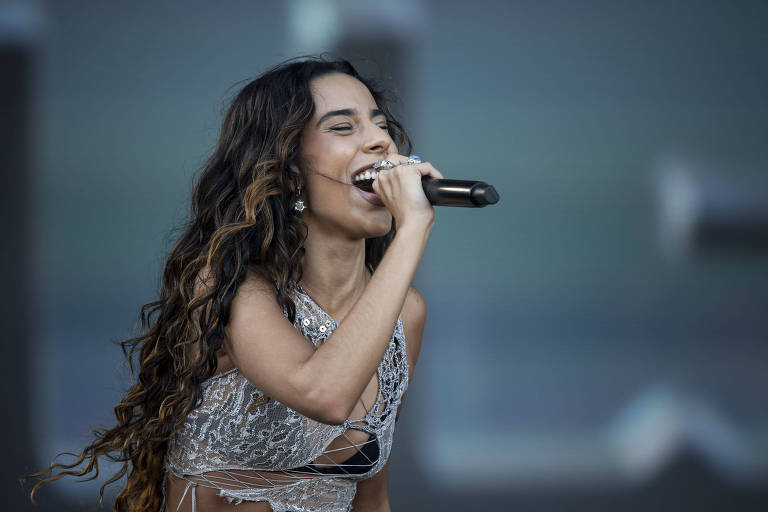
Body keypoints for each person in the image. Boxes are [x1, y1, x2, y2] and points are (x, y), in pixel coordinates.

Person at [26, 57, 443, 512]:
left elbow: (371, 498)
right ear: (287, 170)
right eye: (343, 128)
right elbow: (322, 393)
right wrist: (413, 229)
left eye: (380, 125)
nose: (382, 140)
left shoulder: (405, 314)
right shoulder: (231, 288)